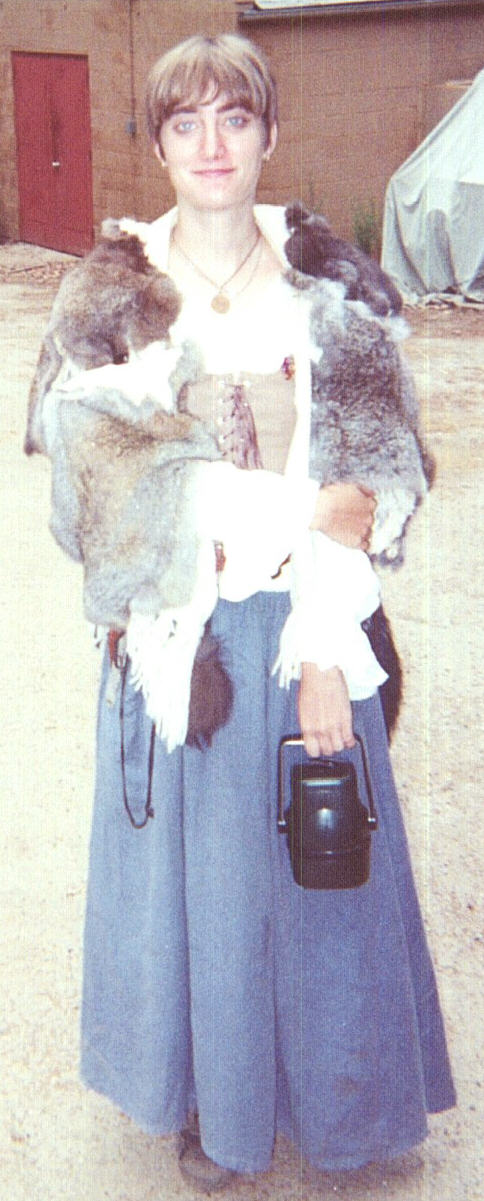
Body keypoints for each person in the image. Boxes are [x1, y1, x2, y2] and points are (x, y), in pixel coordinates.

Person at [52, 33, 454, 1194]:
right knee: (209, 892)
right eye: (185, 122)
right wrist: (289, 502)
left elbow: (373, 487)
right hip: (184, 641)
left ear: (269, 133)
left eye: (235, 117)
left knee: (325, 871)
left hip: (306, 624)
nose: (212, 144)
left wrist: (324, 644)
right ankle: (211, 1105)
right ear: (159, 147)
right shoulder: (112, 298)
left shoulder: (333, 294)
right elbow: (102, 501)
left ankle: (343, 1103)